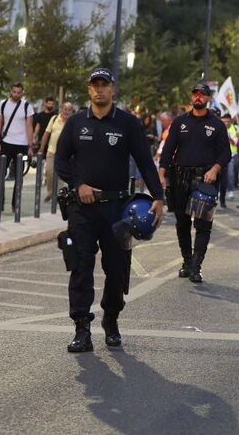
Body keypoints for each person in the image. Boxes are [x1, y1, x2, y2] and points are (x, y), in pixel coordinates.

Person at [54, 68, 164, 352]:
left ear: (113, 89)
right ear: (89, 90)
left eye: (104, 85)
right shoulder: (77, 123)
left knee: (117, 270)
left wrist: (159, 197)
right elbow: (61, 161)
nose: (99, 90)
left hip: (118, 210)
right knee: (80, 267)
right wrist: (78, 185)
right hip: (83, 209)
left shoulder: (127, 123)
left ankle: (111, 320)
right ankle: (81, 328)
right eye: (95, 85)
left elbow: (145, 161)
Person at [158, 83, 231, 283]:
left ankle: (197, 266)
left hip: (204, 180)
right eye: (195, 94)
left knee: (203, 225)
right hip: (180, 178)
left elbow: (226, 153)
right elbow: (168, 149)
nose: (198, 97)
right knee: (182, 223)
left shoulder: (216, 125)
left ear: (208, 99)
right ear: (192, 98)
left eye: (202, 95)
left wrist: (215, 169)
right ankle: (187, 261)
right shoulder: (179, 122)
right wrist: (162, 173)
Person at [0, 82, 35, 213]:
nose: (16, 94)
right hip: (6, 143)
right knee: (0, 175)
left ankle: (15, 204)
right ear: (10, 91)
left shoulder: (27, 106)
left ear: (22, 93)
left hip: (21, 146)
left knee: (19, 177)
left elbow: (29, 127)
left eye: (19, 92)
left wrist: (30, 146)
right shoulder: (3, 104)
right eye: (14, 92)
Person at [38, 102, 73, 201]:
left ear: (71, 111)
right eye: (65, 109)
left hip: (65, 153)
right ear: (61, 109)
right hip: (51, 151)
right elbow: (46, 133)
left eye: (69, 109)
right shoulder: (54, 119)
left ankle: (60, 195)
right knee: (49, 172)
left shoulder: (72, 122)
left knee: (62, 175)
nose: (66, 111)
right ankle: (50, 192)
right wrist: (41, 147)